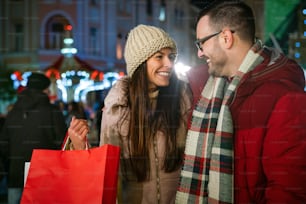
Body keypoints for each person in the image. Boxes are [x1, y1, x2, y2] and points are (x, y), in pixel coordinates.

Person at [176, 1, 306, 203]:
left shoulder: (285, 98)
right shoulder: (209, 89)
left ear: (226, 38)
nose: (199, 53)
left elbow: (288, 191)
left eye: (201, 43)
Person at [67, 24, 192, 204]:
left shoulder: (182, 98)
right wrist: (80, 147)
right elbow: (107, 170)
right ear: (140, 63)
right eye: (159, 57)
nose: (169, 64)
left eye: (171, 57)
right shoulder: (118, 107)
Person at [0, 72, 67, 204]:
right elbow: (63, 142)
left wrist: (9, 167)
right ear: (45, 89)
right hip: (44, 173)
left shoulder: (13, 112)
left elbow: (4, 144)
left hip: (16, 173)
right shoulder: (52, 111)